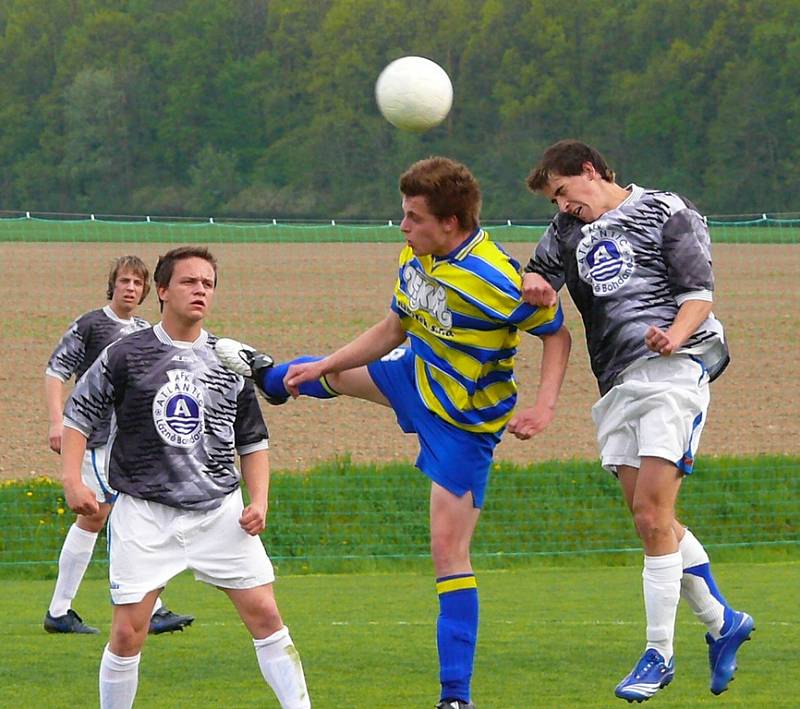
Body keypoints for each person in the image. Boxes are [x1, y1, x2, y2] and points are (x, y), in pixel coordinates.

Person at [215, 156, 571, 709]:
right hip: (414, 375)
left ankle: (456, 696)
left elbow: (557, 336)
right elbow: (393, 327)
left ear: (449, 223)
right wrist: (326, 361)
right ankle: (267, 373)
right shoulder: (416, 254)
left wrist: (545, 406)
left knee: (448, 552)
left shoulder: (496, 282)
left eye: (412, 218)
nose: (402, 228)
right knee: (325, 372)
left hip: (464, 422)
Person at [517, 139, 754, 702]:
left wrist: (673, 334)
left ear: (591, 172)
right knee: (653, 519)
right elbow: (538, 284)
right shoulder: (564, 233)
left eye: (563, 192)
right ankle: (723, 622)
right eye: (553, 200)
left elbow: (700, 295)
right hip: (617, 384)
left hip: (676, 368)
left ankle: (659, 654)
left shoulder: (667, 211)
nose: (562, 207)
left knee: (651, 514)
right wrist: (535, 286)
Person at [60, 246, 311, 709]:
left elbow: (252, 442)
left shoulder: (229, 361)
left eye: (208, 284)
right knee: (127, 632)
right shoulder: (126, 353)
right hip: (144, 513)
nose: (200, 290)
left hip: (219, 513)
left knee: (266, 616)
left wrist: (259, 501)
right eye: (190, 282)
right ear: (162, 291)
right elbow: (78, 415)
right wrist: (73, 481)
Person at [44, 255, 194, 636]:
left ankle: (60, 611)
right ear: (112, 285)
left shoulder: (147, 331)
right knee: (120, 510)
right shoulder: (91, 324)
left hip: (130, 443)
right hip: (94, 440)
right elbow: (55, 371)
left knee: (99, 517)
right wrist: (56, 422)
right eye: (124, 281)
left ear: (148, 291)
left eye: (137, 283)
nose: (130, 288)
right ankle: (151, 608)